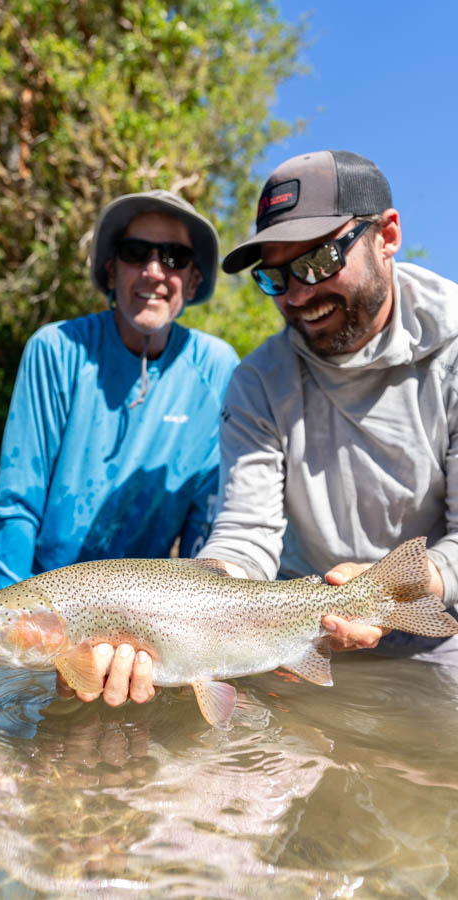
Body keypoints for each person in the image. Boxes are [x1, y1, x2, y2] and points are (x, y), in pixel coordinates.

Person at [196, 149, 458, 661]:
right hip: (298, 634)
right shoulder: (258, 382)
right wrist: (199, 599)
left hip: (440, 629)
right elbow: (245, 535)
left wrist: (411, 582)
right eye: (275, 279)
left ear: (387, 237)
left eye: (317, 262)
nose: (297, 297)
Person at [0, 189, 239, 704]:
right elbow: (17, 506)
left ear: (192, 280)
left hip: (153, 622)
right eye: (135, 252)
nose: (153, 270)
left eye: (174, 258)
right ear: (109, 270)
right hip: (48, 612)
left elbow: (207, 522)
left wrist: (205, 647)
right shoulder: (54, 351)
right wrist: (15, 665)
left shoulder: (217, 368)